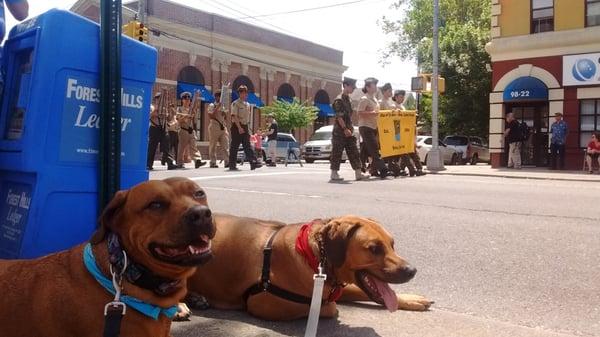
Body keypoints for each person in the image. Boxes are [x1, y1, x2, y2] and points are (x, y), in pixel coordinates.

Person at [330, 77, 368, 181]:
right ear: (345, 85)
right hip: (340, 131)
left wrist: (350, 129)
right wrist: (345, 129)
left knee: (354, 151)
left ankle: (358, 173)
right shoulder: (339, 100)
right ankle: (334, 173)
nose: (353, 89)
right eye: (351, 86)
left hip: (349, 130)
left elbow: (348, 116)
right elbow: (339, 116)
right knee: (337, 152)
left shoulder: (348, 99)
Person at [357, 77, 388, 178]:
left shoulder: (374, 99)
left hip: (373, 126)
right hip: (366, 126)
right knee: (374, 148)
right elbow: (359, 113)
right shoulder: (365, 99)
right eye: (374, 85)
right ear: (368, 87)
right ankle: (383, 169)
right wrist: (372, 113)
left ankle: (366, 168)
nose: (376, 87)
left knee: (365, 150)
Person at [228, 85, 261, 171]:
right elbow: (234, 116)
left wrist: (247, 129)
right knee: (235, 146)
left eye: (246, 92)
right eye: (243, 92)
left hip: (245, 126)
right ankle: (232, 165)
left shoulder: (247, 104)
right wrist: (239, 127)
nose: (245, 94)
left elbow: (247, 119)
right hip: (237, 126)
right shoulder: (235, 103)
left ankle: (253, 162)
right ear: (239, 93)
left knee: (248, 145)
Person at [146, 92, 176, 170]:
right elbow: (148, 116)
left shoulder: (165, 108)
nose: (160, 99)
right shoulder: (152, 107)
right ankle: (149, 164)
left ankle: (170, 163)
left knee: (167, 146)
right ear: (156, 99)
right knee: (152, 147)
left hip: (163, 128)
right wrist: (155, 111)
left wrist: (171, 110)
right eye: (158, 98)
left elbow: (169, 119)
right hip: (154, 128)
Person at [176, 91, 206, 169]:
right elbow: (178, 120)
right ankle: (180, 162)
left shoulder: (191, 109)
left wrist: (194, 113)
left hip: (191, 130)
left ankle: (197, 161)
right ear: (182, 100)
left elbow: (195, 121)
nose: (187, 100)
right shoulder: (179, 109)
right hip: (183, 130)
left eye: (189, 99)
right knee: (181, 147)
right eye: (185, 99)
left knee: (194, 146)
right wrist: (186, 116)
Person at [207, 91, 230, 168]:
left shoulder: (223, 106)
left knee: (225, 144)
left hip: (222, 127)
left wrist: (224, 112)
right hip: (214, 126)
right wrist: (217, 107)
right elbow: (211, 116)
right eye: (219, 96)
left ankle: (227, 161)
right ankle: (213, 162)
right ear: (216, 97)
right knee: (213, 145)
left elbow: (225, 117)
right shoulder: (212, 105)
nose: (221, 98)